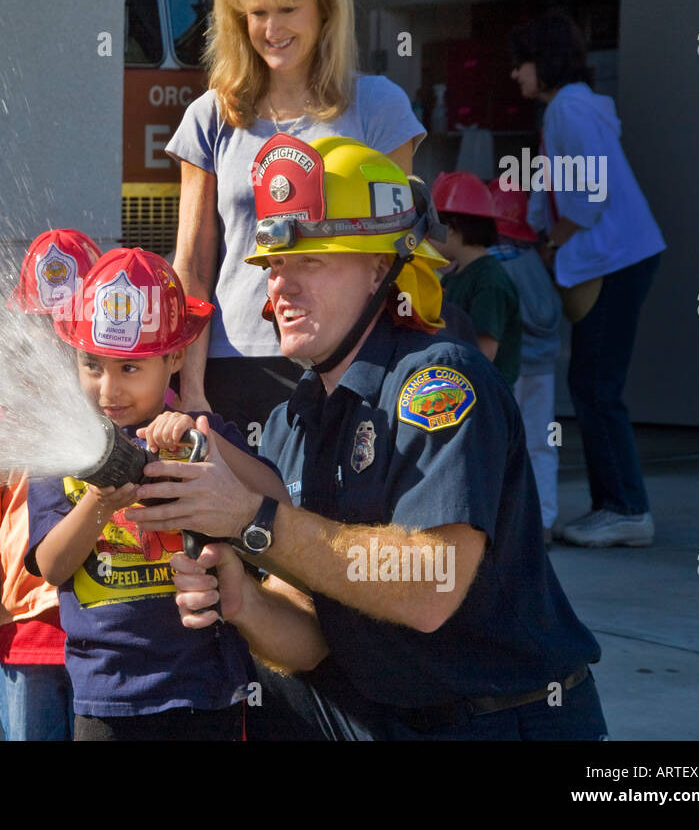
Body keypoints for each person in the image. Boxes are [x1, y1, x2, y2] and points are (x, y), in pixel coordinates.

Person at [129, 136, 608, 740]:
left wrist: (254, 518)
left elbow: (430, 587)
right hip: (390, 718)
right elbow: (307, 638)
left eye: (312, 261)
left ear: (381, 267)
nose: (281, 287)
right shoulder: (294, 420)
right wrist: (245, 603)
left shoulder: (437, 383)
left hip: (503, 722)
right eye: (276, 264)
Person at [166, 0, 425, 437]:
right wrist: (191, 392)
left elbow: (396, 254)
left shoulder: (378, 108)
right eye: (256, 12)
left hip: (350, 361)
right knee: (231, 520)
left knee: (332, 520)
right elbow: (192, 263)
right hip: (232, 360)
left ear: (325, 9)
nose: (271, 28)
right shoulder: (209, 117)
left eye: (288, 8)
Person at [23, 248, 289, 740]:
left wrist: (203, 441)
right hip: (106, 693)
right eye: (92, 365)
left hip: (206, 687)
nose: (108, 389)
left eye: (130, 368)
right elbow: (54, 568)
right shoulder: (64, 452)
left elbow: (279, 502)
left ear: (174, 358)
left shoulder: (202, 435)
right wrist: (100, 500)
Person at [509, 13, 666, 548]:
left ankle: (625, 509)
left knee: (596, 387)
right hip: (620, 258)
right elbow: (554, 191)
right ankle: (617, 506)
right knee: (594, 386)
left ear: (543, 61)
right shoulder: (570, 108)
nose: (515, 74)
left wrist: (550, 244)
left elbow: (585, 198)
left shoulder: (569, 111)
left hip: (616, 260)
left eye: (521, 62)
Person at [0, 228, 102, 741]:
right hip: (27, 626)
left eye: (69, 327)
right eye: (42, 325)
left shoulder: (120, 410)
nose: (55, 340)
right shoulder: (1, 420)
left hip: (106, 627)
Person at [488, 178, 563, 543]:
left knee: (502, 444)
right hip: (543, 367)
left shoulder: (495, 264)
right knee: (541, 444)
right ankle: (545, 522)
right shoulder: (535, 260)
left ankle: (509, 526)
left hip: (513, 367)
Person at [428, 171, 522, 385]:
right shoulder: (456, 276)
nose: (427, 237)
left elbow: (484, 354)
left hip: (483, 397)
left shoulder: (489, 281)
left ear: (451, 229)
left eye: (432, 226)